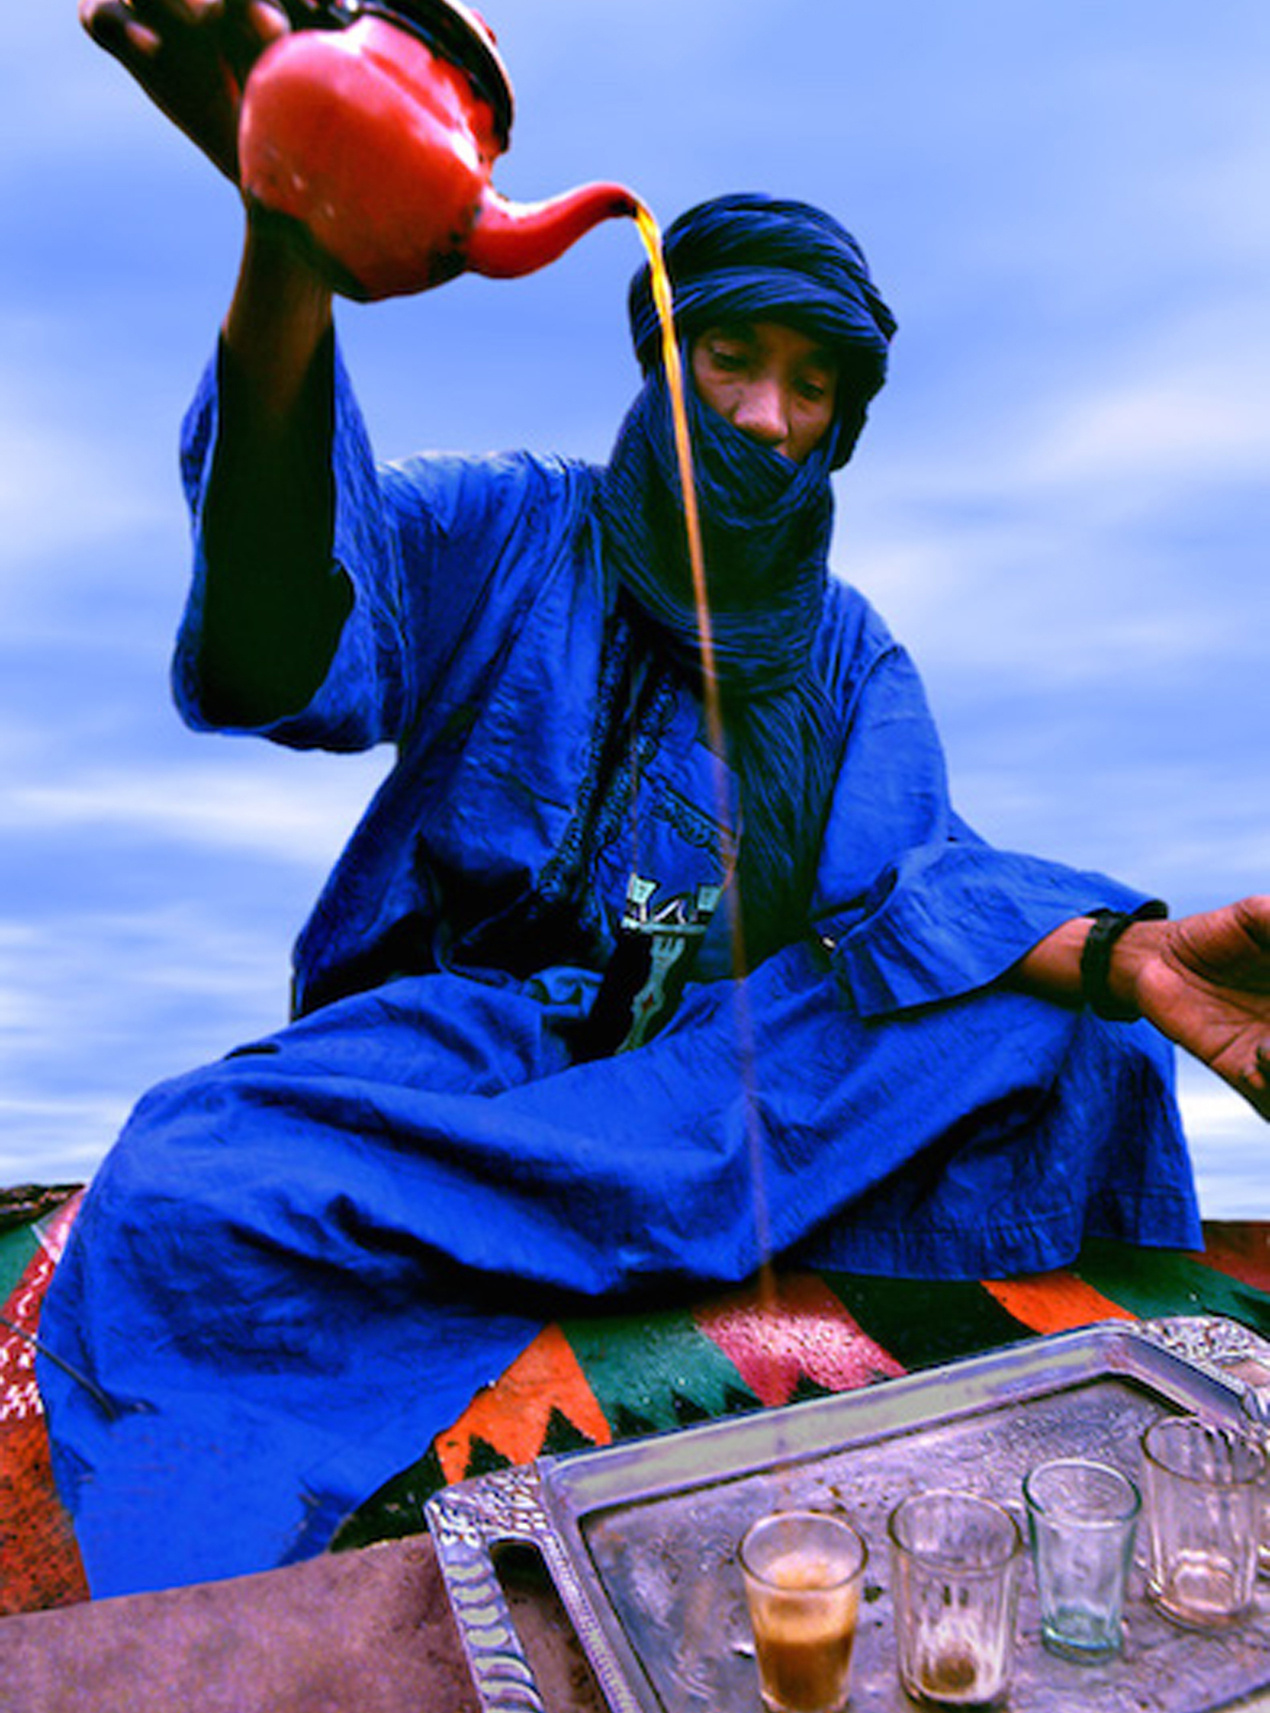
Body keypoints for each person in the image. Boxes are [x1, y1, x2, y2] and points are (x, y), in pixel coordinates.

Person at [41, 0, 1269, 1598]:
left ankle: (1046, 1407)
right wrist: (288, 259)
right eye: (731, 357)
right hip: (462, 1079)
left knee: (1078, 1038)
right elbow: (283, 646)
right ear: (659, 351)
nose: (764, 414)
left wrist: (1127, 959)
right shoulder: (503, 525)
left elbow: (908, 897)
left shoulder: (847, 656)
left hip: (717, 1090)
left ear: (843, 423)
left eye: (810, 384)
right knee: (185, 1181)